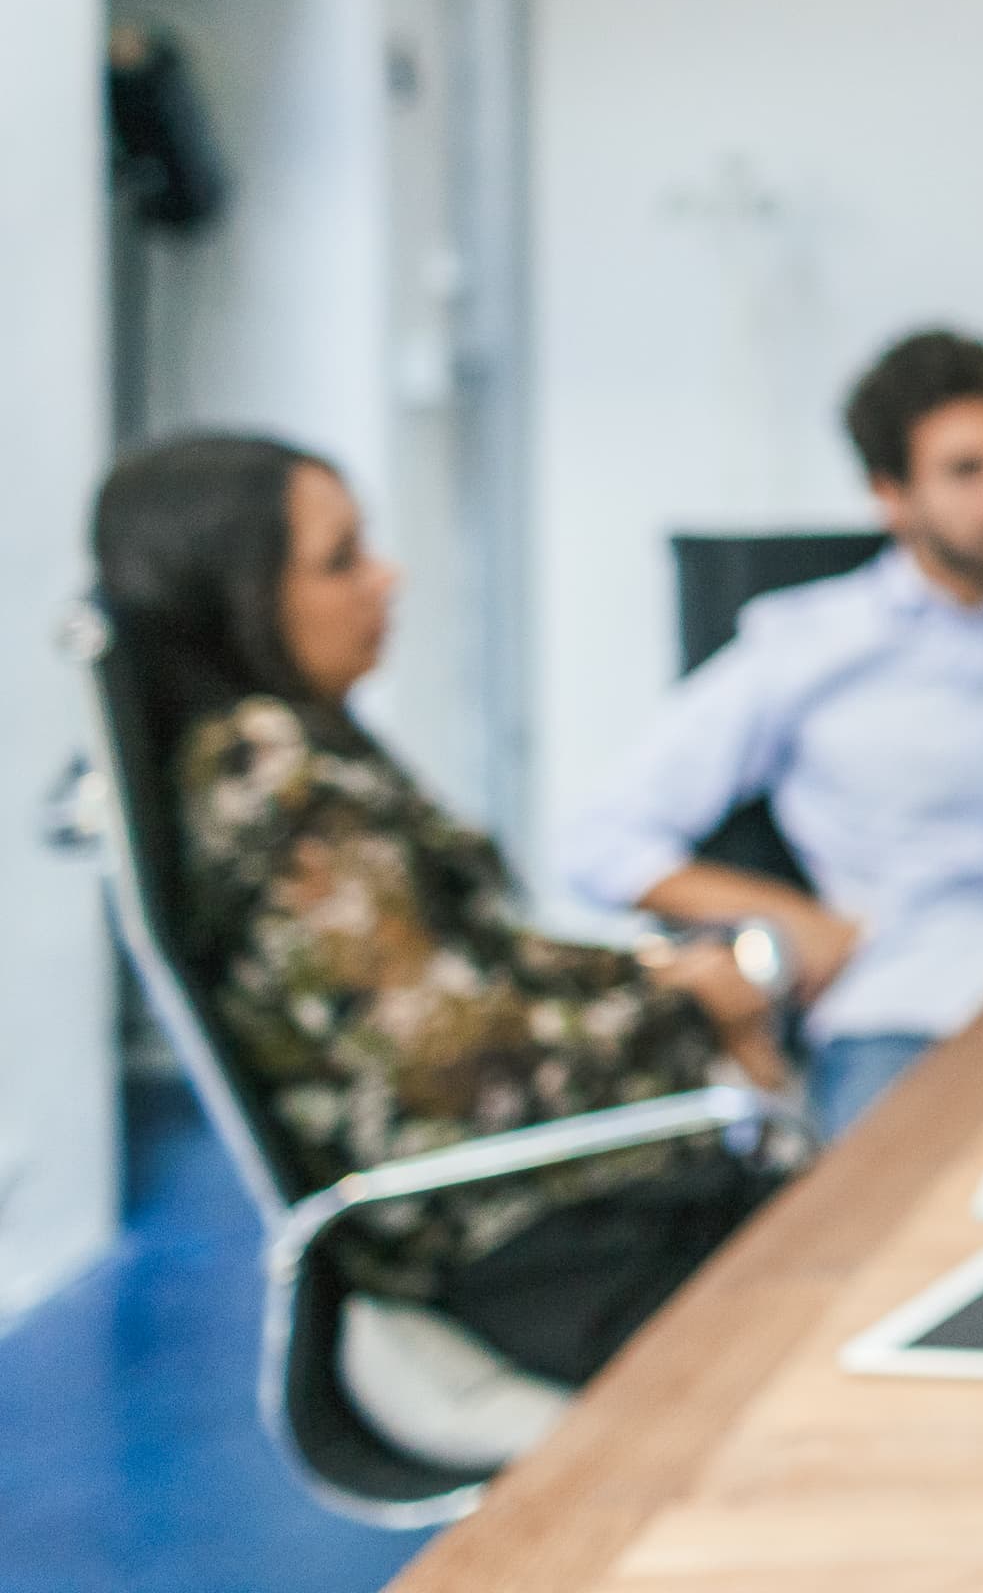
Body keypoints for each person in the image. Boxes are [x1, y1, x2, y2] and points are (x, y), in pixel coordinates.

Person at [92, 433, 791, 1440]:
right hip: (510, 1239)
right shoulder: (280, 780)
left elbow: (479, 966)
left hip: (535, 1205)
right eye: (341, 560)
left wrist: (654, 974)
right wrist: (685, 1006)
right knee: (843, 1283)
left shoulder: (289, 748)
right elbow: (458, 1062)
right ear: (238, 597)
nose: (387, 576)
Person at [560, 329, 983, 1131]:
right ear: (889, 495)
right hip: (911, 1007)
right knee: (876, 1235)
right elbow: (600, 838)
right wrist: (788, 917)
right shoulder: (809, 644)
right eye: (968, 471)